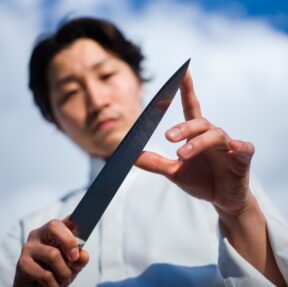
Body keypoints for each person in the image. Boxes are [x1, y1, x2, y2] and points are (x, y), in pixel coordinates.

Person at [0, 17, 287, 287]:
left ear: (138, 80)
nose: (97, 101)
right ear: (54, 119)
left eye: (106, 74)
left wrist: (237, 212)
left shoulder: (226, 188)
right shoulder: (26, 240)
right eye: (70, 93)